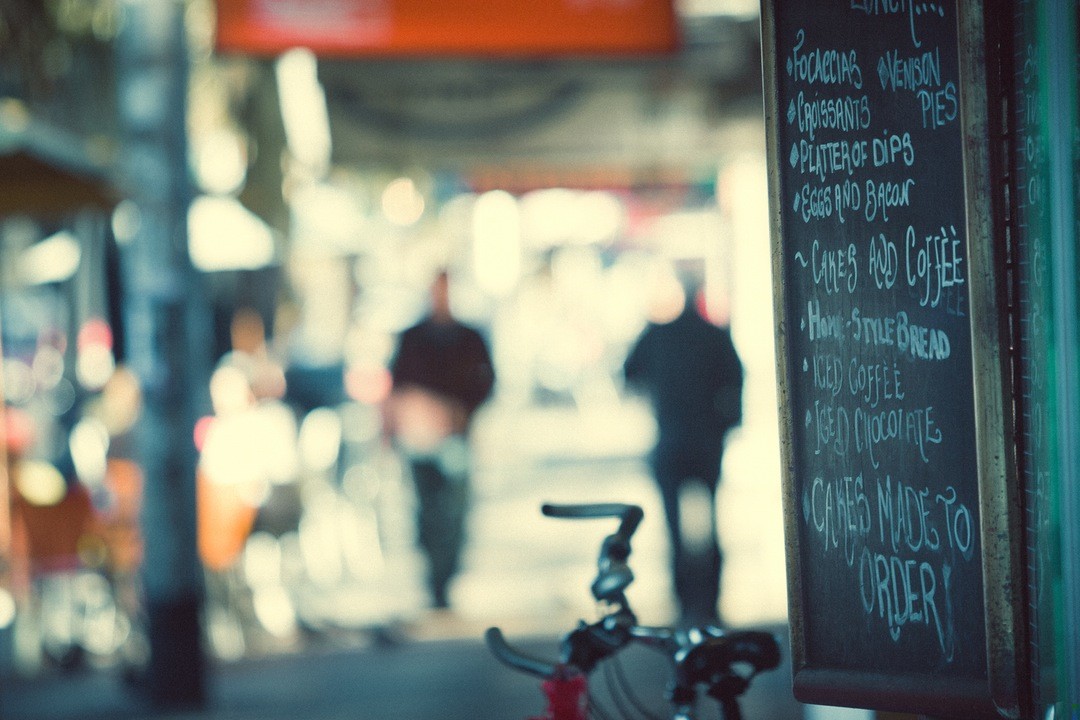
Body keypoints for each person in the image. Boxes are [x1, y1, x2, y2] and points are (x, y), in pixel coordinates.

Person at [623, 267, 743, 626]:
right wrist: (724, 423)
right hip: (707, 442)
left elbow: (630, 374)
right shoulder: (715, 336)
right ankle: (709, 600)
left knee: (675, 528)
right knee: (712, 523)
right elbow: (736, 385)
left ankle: (684, 600)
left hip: (671, 441)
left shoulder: (657, 335)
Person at [386, 270, 495, 609]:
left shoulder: (469, 337)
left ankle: (447, 574)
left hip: (455, 437)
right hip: (420, 440)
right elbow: (397, 386)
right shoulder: (412, 338)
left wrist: (462, 412)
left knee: (455, 511)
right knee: (427, 510)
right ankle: (434, 576)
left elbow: (488, 381)